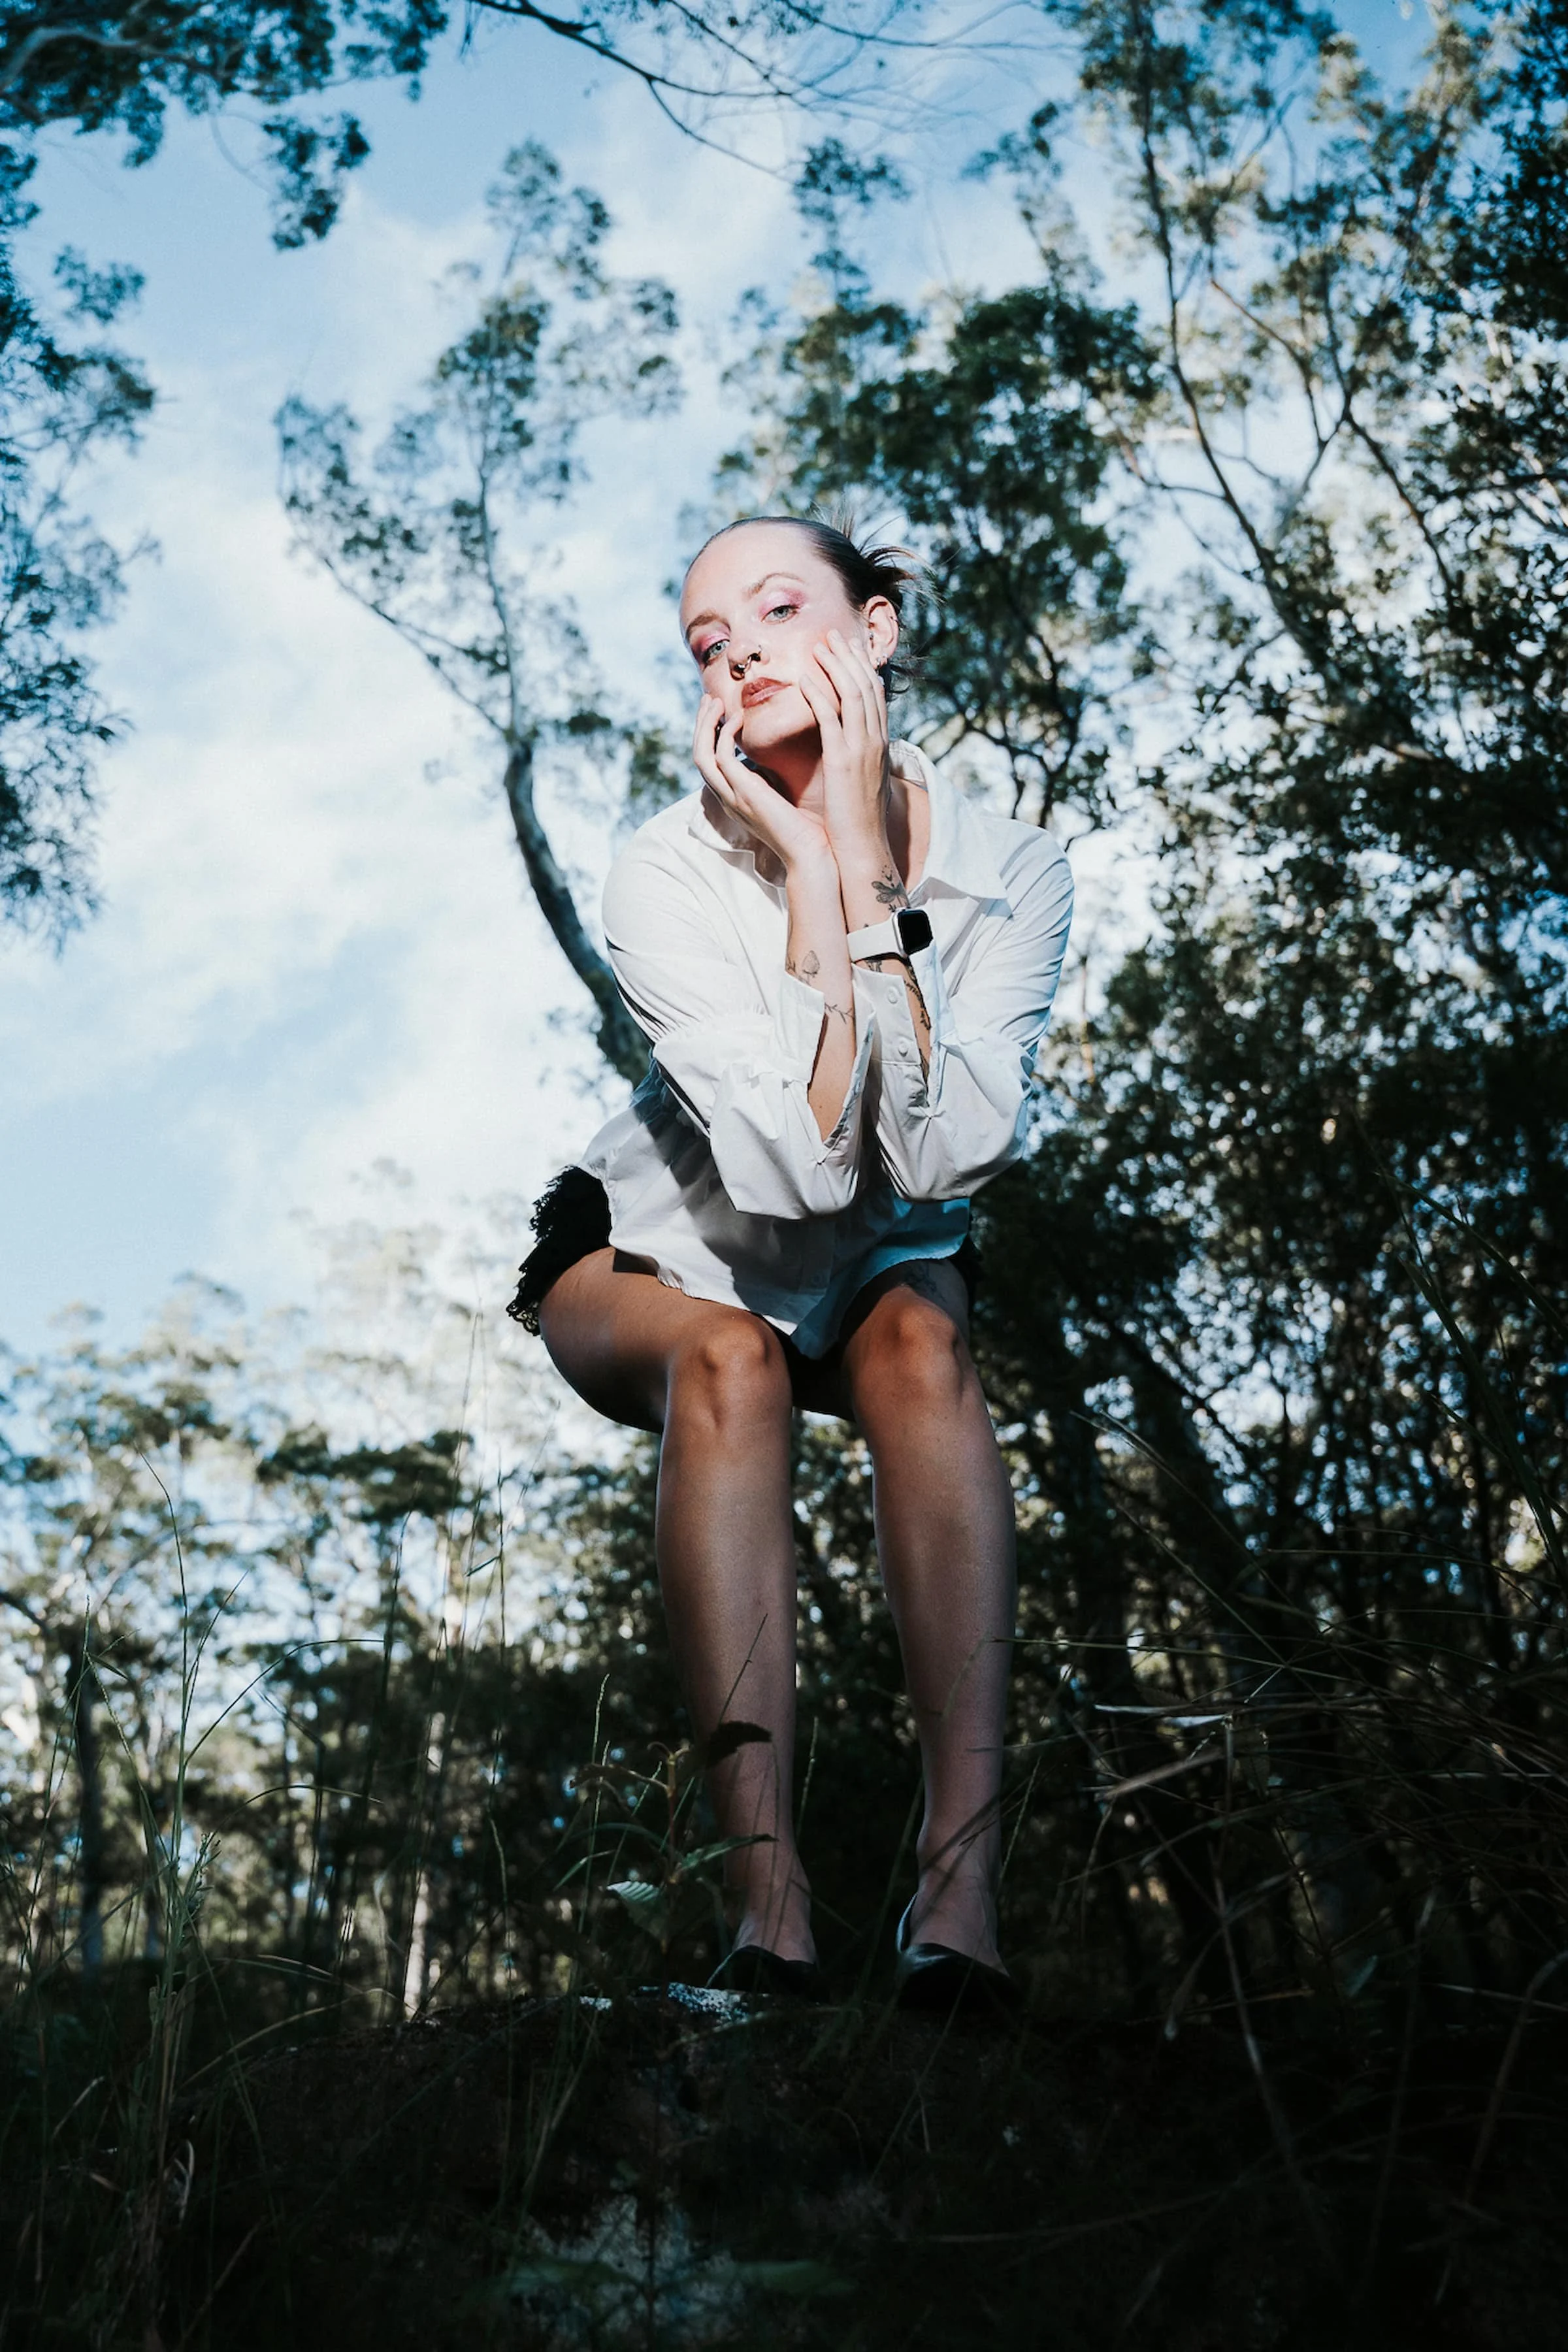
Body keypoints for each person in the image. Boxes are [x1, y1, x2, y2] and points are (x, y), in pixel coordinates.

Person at [509, 516, 1073, 2011]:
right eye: (708, 641)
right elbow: (790, 1172)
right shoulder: (665, 871)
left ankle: (960, 1901)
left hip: (876, 1255)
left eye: (774, 607)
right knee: (734, 1357)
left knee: (925, 1346)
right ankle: (772, 1915)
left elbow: (941, 1167)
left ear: (872, 634)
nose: (739, 646)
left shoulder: (1016, 870)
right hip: (659, 1246)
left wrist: (867, 876)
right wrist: (805, 869)